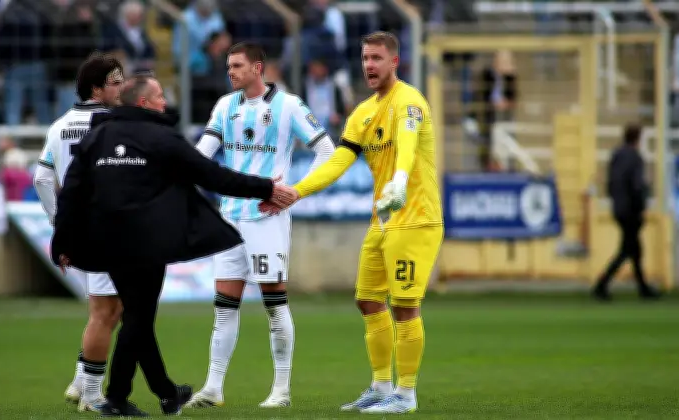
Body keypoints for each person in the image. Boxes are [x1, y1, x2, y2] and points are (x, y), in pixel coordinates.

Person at [50, 74, 299, 417]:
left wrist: (61, 240)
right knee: (138, 318)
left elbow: (72, 192)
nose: (165, 102)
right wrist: (265, 188)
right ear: (143, 103)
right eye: (159, 96)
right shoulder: (161, 137)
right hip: (147, 243)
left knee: (137, 316)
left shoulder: (98, 136)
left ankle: (167, 392)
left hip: (108, 242)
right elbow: (211, 175)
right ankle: (117, 398)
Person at [260, 31, 443, 414]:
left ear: (395, 61)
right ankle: (381, 385)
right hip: (384, 220)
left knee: (405, 306)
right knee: (367, 300)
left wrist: (399, 180)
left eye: (377, 58)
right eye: (365, 58)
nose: (369, 66)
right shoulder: (363, 112)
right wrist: (297, 190)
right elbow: (340, 160)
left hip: (415, 218)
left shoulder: (409, 101)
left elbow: (407, 145)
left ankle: (406, 395)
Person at [186, 41, 335, 409]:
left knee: (273, 302)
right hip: (229, 218)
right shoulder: (225, 106)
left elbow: (327, 151)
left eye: (236, 65)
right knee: (224, 306)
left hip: (266, 218)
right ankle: (213, 388)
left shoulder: (289, 106)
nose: (230, 72)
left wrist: (296, 192)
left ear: (258, 68)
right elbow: (200, 156)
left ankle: (281, 390)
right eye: (228, 66)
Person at [32, 51, 125, 412]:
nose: (121, 88)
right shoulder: (111, 125)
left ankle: (80, 379)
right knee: (105, 313)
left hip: (82, 229)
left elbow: (41, 178)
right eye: (115, 82)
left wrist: (60, 224)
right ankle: (90, 392)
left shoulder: (59, 125)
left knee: (115, 309)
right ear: (96, 88)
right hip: (108, 229)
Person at [592, 124, 661, 301]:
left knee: (634, 249)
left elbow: (611, 183)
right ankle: (603, 284)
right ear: (638, 139)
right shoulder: (635, 158)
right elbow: (637, 185)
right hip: (631, 210)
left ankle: (642, 288)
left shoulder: (616, 155)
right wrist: (641, 206)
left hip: (618, 208)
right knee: (628, 250)